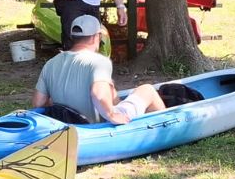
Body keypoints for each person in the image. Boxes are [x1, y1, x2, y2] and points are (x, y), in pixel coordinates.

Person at [31, 14, 165, 124]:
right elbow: (99, 94)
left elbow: (38, 102)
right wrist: (112, 115)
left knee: (111, 91)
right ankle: (165, 128)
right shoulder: (99, 62)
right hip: (99, 124)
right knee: (147, 90)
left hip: (67, 123)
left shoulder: (51, 63)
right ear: (97, 37)